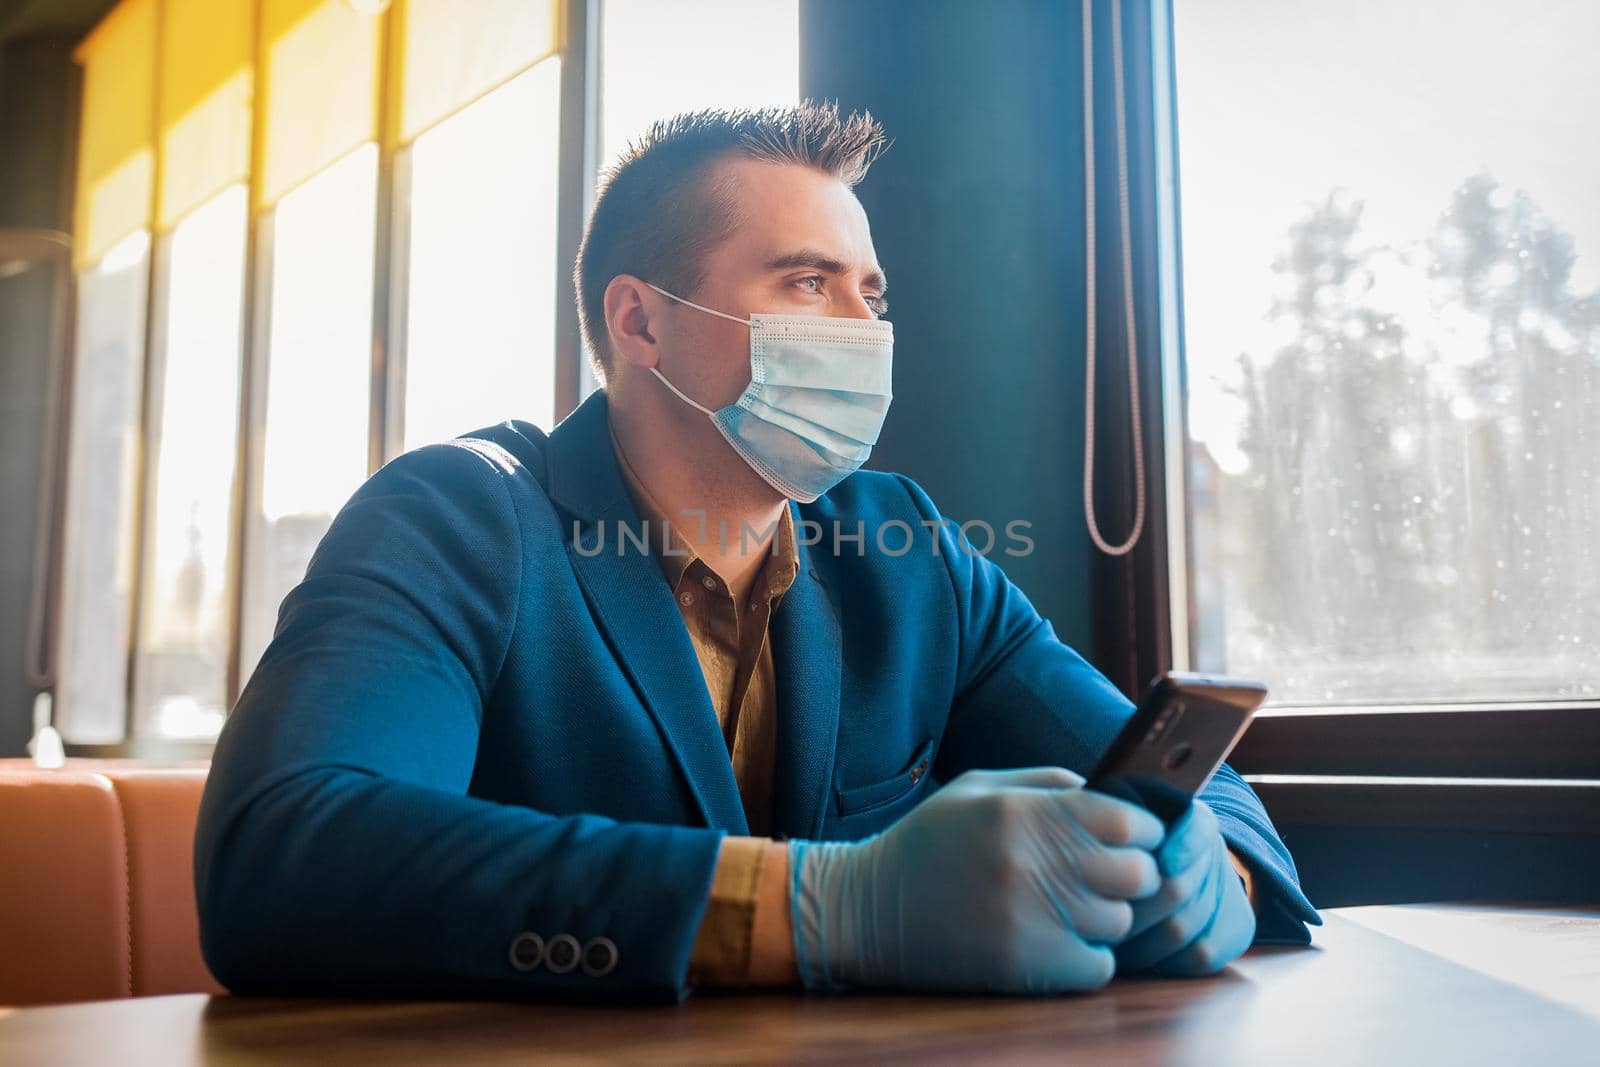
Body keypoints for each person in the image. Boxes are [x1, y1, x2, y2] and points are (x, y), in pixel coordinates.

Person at [194, 101, 1319, 1002]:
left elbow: (1194, 781)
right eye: (805, 281)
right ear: (639, 323)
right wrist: (827, 905)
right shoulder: (461, 516)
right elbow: (280, 860)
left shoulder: (909, 552)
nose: (861, 330)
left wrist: (1200, 869)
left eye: (869, 293)